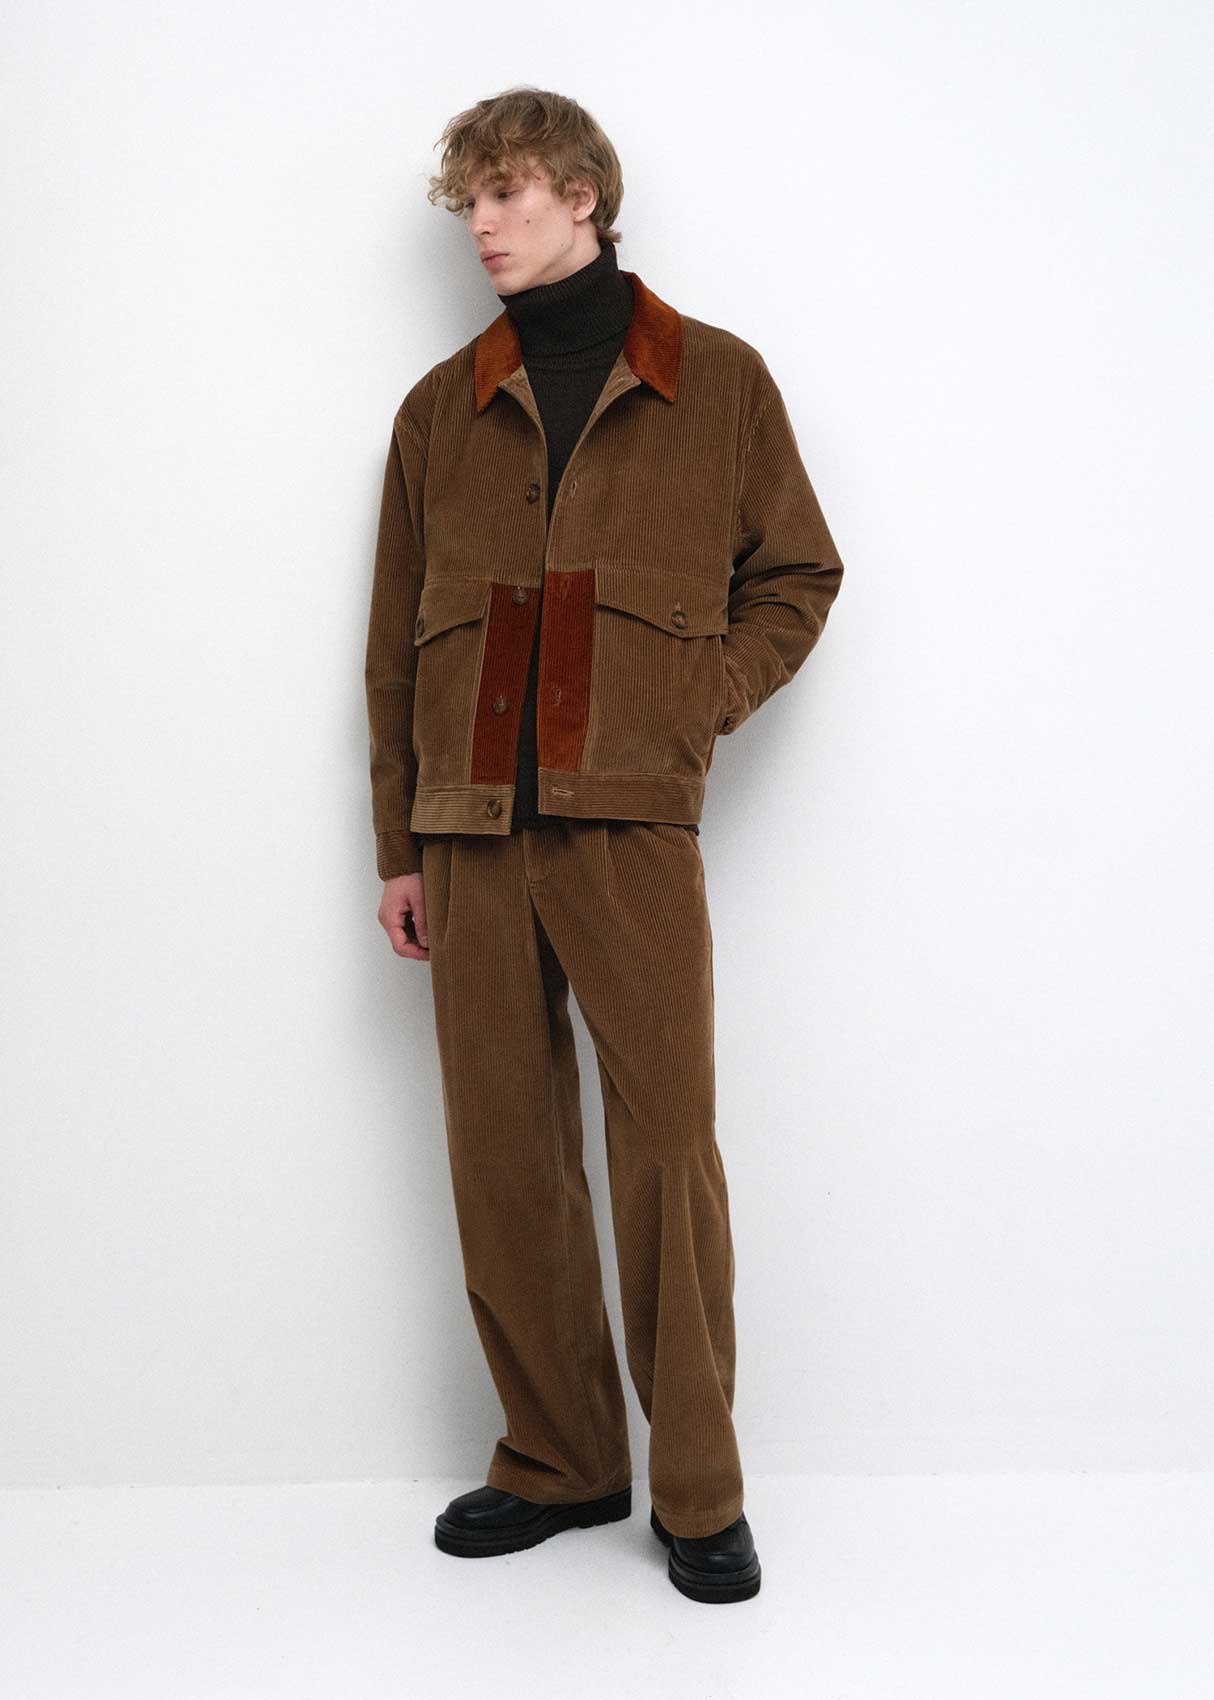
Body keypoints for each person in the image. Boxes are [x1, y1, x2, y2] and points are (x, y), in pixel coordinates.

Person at [364, 86, 845, 1604]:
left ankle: (697, 1486)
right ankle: (559, 1460)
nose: (483, 225)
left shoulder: (717, 382)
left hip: (628, 821)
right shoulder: (439, 410)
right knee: (504, 1153)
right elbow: (391, 648)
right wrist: (398, 843)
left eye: (507, 193)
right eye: (469, 202)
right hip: (467, 834)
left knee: (664, 1150)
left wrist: (691, 701)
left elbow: (798, 574)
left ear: (582, 194)